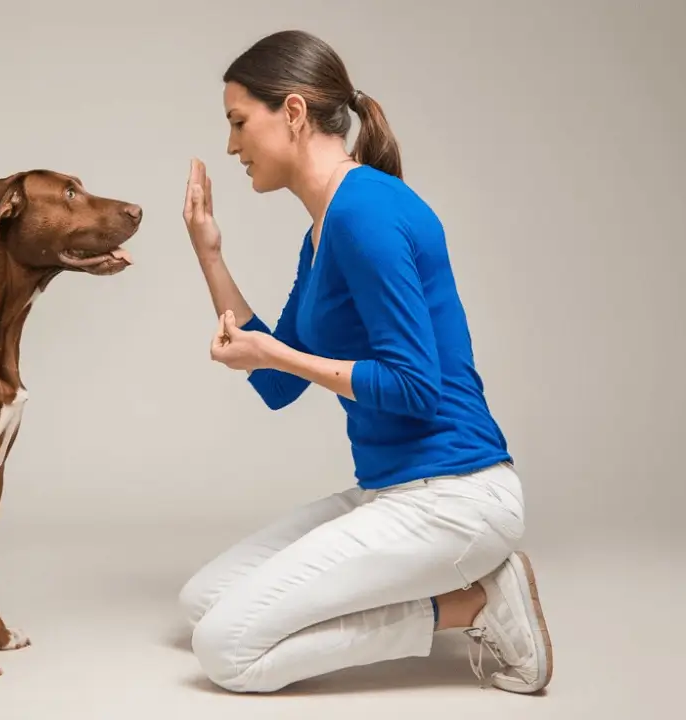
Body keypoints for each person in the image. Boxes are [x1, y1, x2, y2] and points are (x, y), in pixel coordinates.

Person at [177, 29, 553, 695]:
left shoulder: (366, 214)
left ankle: (471, 604)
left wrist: (281, 353)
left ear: (292, 112)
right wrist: (210, 253)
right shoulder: (323, 229)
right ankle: (459, 592)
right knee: (202, 602)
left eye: (239, 123)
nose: (231, 146)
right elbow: (273, 382)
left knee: (227, 650)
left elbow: (414, 386)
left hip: (457, 497)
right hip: (394, 490)